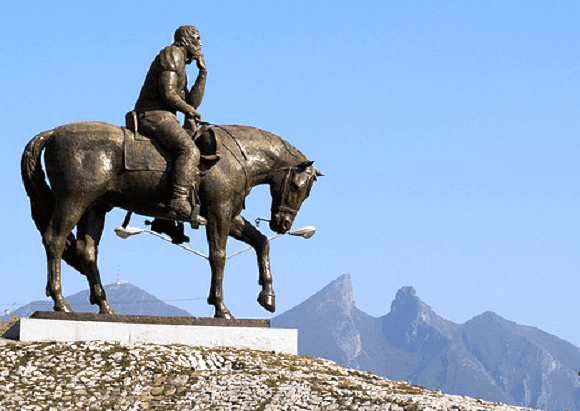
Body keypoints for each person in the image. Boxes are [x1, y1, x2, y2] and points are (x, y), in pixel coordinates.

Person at [133, 25, 207, 226]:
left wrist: (203, 73)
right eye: (197, 39)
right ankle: (178, 201)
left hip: (167, 116)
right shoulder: (172, 54)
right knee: (189, 150)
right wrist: (189, 111)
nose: (200, 43)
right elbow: (168, 94)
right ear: (186, 40)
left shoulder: (182, 61)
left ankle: (164, 219)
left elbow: (191, 101)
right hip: (153, 114)